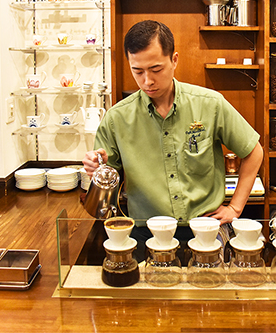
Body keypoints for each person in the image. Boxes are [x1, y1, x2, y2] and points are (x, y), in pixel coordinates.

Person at [83, 20, 263, 256]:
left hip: (206, 227)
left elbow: (253, 151)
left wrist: (235, 207)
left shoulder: (210, 104)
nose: (147, 80)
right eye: (137, 71)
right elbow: (108, 181)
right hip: (145, 231)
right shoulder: (117, 118)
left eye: (156, 69)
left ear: (174, 60)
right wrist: (98, 166)